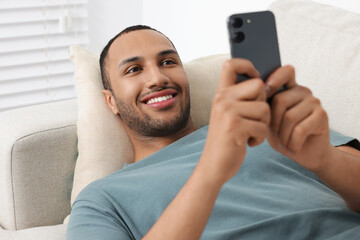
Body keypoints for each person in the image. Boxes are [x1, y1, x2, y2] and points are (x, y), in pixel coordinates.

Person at [67, 25, 360, 239]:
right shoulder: (102, 198)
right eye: (133, 70)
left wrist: (325, 160)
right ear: (110, 101)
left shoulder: (270, 125)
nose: (157, 78)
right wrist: (211, 170)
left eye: (168, 62)